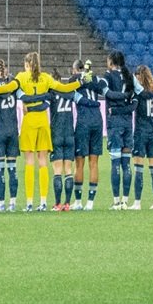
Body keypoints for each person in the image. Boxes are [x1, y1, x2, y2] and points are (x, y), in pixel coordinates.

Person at [0, 52, 81, 212]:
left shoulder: (22, 77)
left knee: (29, 162)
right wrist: (80, 82)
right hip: (43, 122)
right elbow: (65, 88)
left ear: (26, 64)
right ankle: (44, 202)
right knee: (43, 162)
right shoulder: (46, 77)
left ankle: (30, 203)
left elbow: (8, 88)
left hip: (29, 121)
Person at [103, 51, 136, 210]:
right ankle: (125, 201)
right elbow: (136, 99)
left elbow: (107, 93)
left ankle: (116, 202)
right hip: (128, 123)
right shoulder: (130, 77)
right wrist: (126, 99)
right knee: (126, 163)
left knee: (115, 163)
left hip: (115, 123)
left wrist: (116, 110)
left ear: (111, 61)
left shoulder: (108, 76)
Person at [71, 59, 104, 211]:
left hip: (83, 121)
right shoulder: (95, 79)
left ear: (75, 69)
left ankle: (78, 201)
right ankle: (90, 202)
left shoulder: (74, 80)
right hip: (97, 120)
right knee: (94, 162)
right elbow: (102, 88)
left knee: (79, 163)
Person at [0, 59, 22, 212]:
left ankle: (2, 204)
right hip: (13, 130)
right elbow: (24, 97)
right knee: (12, 169)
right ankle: (13, 203)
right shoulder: (14, 84)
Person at [131, 65, 153, 210]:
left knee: (138, 168)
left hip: (141, 133)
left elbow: (131, 80)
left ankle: (137, 202)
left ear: (140, 77)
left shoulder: (140, 93)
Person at [48, 69, 76, 211]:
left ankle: (58, 203)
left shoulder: (51, 94)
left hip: (56, 134)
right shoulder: (69, 92)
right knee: (69, 170)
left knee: (58, 171)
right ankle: (67, 203)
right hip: (70, 134)